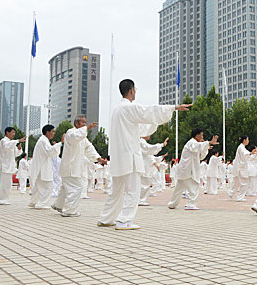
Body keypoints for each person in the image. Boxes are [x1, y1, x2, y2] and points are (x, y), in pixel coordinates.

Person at [97, 79, 191, 230]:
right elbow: (148, 111)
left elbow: (139, 130)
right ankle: (124, 221)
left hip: (118, 157)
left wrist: (156, 123)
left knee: (116, 191)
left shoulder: (116, 110)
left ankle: (106, 218)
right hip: (129, 157)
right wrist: (173, 108)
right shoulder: (128, 108)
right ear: (132, 90)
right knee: (133, 190)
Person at [53, 116, 103, 217]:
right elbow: (75, 138)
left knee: (66, 188)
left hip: (74, 168)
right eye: (83, 123)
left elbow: (89, 148)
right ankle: (69, 211)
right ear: (76, 124)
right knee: (76, 188)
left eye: (86, 123)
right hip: (70, 167)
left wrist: (98, 158)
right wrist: (87, 128)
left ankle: (59, 205)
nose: (85, 125)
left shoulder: (82, 137)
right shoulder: (70, 133)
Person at [168, 128, 218, 210]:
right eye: (201, 135)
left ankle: (172, 204)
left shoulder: (196, 144)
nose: (202, 137)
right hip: (187, 171)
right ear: (196, 135)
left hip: (185, 171)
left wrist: (206, 147)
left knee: (178, 190)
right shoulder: (191, 143)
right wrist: (208, 143)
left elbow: (201, 156)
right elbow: (197, 147)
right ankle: (191, 204)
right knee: (194, 187)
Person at [28, 125, 63, 209]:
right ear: (47, 132)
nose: (53, 133)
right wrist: (60, 143)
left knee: (39, 187)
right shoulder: (43, 141)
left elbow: (50, 151)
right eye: (52, 131)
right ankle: (41, 204)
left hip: (40, 167)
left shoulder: (43, 140)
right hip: (42, 168)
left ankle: (33, 202)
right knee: (49, 186)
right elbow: (50, 152)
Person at [0, 127, 25, 205]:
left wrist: (19, 149)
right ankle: (2, 199)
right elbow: (6, 146)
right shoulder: (3, 141)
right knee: (5, 184)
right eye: (13, 132)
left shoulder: (11, 143)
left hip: (9, 166)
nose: (14, 134)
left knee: (7, 184)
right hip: (4, 166)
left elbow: (16, 154)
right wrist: (18, 141)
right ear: (7, 133)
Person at [229, 136, 257, 201]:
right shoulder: (241, 148)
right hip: (241, 168)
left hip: (240, 168)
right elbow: (245, 154)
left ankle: (231, 193)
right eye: (247, 139)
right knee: (244, 183)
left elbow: (247, 157)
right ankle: (240, 197)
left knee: (237, 182)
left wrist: (253, 155)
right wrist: (251, 153)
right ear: (244, 140)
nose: (248, 141)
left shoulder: (242, 147)